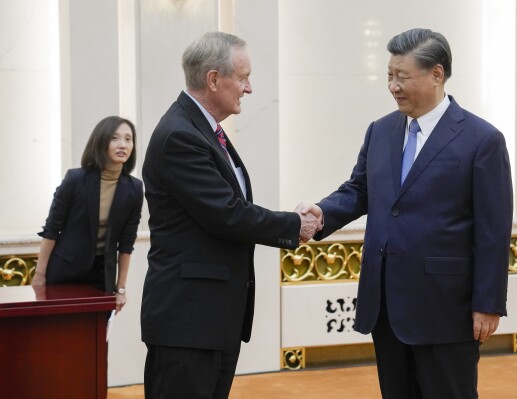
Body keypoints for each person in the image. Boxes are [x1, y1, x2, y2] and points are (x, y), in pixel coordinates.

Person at [300, 28, 513, 398]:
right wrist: (322, 212)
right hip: (386, 305)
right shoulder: (380, 131)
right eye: (389, 76)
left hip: (447, 308)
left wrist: (488, 304)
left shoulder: (482, 140)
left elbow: (493, 230)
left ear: (437, 74)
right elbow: (360, 189)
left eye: (402, 77)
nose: (393, 86)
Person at [141, 31, 320, 399]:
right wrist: (294, 225)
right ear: (213, 79)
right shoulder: (180, 135)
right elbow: (225, 214)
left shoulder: (202, 130)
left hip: (210, 319)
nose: (249, 88)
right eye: (242, 77)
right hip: (188, 320)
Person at [32, 116, 143, 314]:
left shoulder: (134, 188)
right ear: (101, 142)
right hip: (65, 273)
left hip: (102, 277)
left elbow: (126, 243)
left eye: (128, 139)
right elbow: (51, 229)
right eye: (115, 138)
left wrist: (121, 288)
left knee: (96, 341)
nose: (122, 145)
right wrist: (40, 275)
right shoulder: (76, 179)